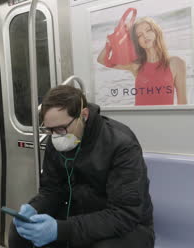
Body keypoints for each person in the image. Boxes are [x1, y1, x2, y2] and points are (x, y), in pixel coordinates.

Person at [9, 85, 154, 248]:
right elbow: (52, 189)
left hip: (127, 226)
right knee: (19, 232)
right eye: (50, 130)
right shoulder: (57, 141)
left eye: (61, 128)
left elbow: (124, 214)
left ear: (83, 115)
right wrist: (34, 207)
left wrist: (61, 229)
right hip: (77, 217)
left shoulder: (121, 144)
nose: (56, 136)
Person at [97, 16, 187, 106]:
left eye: (148, 30)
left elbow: (183, 104)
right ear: (137, 42)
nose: (145, 36)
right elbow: (101, 59)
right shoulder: (136, 65)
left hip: (166, 119)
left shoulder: (176, 63)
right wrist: (112, 40)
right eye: (139, 35)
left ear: (156, 32)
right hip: (140, 118)